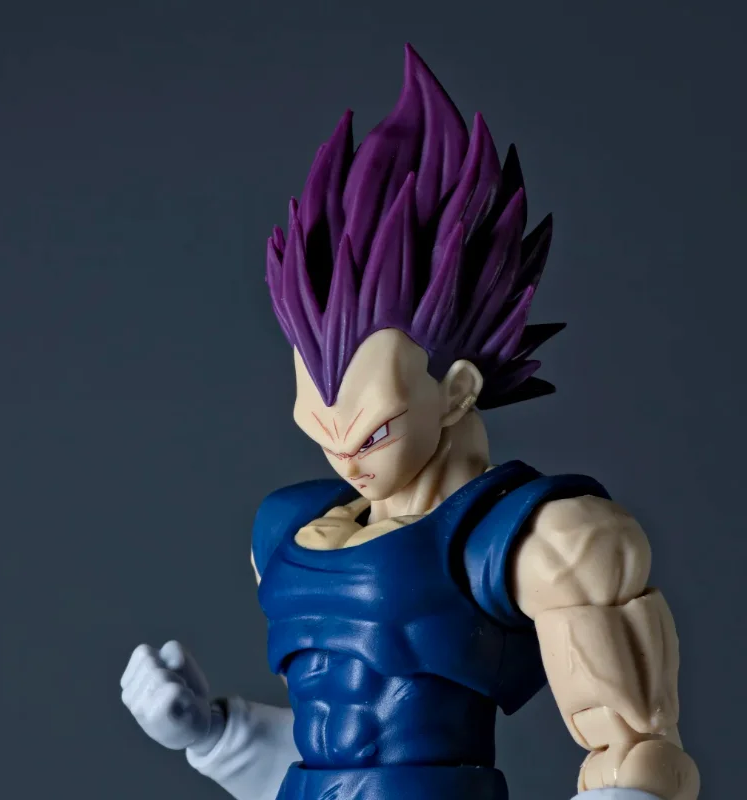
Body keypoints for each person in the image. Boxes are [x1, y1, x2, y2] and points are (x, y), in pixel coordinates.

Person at [120, 44, 700, 800]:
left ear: (457, 392)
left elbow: (637, 760)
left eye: (373, 433)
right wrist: (215, 737)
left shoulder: (546, 539)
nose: (345, 462)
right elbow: (336, 759)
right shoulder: (290, 533)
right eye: (320, 432)